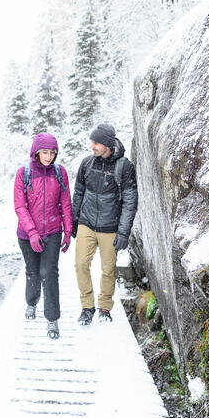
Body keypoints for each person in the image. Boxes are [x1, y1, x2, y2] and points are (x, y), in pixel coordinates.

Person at [71, 123, 138, 325]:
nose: (92, 146)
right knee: (81, 265)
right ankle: (87, 307)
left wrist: (124, 233)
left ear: (108, 144)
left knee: (108, 270)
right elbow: (78, 194)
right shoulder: (87, 163)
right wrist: (74, 221)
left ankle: (104, 308)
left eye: (96, 142)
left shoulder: (124, 167)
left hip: (111, 227)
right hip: (87, 223)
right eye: (92, 142)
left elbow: (130, 201)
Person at [13, 132, 74, 339]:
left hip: (53, 232)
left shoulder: (60, 172)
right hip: (27, 234)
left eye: (52, 153)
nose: (49, 156)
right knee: (33, 272)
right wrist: (31, 233)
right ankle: (31, 302)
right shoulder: (24, 173)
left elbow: (65, 202)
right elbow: (20, 206)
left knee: (49, 273)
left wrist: (68, 231)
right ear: (36, 152)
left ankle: (52, 319)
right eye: (45, 152)